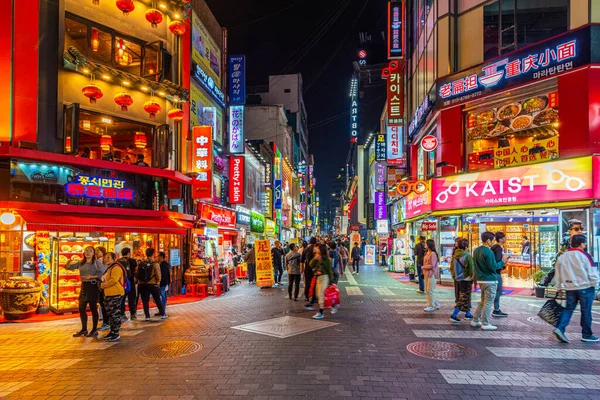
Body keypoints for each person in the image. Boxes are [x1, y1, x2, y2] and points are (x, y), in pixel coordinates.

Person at [552, 234, 599, 343]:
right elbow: (592, 272)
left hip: (569, 288)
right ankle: (586, 334)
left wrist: (559, 286)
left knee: (568, 309)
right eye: (584, 243)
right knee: (586, 311)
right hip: (585, 287)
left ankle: (560, 328)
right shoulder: (585, 255)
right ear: (582, 244)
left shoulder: (563, 256)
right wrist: (594, 284)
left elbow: (557, 273)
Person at [472, 231, 507, 331]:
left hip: (481, 279)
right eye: (492, 240)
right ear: (488, 240)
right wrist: (503, 262)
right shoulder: (489, 252)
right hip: (490, 279)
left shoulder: (476, 251)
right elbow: (493, 267)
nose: (493, 242)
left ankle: (475, 320)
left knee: (483, 301)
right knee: (488, 302)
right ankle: (485, 323)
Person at [66, 246, 104, 337]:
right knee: (81, 308)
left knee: (93, 308)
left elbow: (102, 273)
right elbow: (69, 267)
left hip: (93, 286)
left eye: (90, 251)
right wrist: (68, 261)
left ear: (93, 253)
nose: (88, 253)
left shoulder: (96, 262)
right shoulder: (81, 262)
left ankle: (94, 329)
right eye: (86, 251)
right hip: (84, 286)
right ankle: (84, 329)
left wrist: (92, 277)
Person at [541, 219, 585, 286]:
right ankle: (547, 281)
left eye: (581, 229)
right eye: (576, 229)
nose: (580, 231)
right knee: (555, 267)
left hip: (577, 263)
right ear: (569, 231)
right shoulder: (566, 238)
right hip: (567, 260)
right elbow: (562, 249)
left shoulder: (583, 239)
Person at [100, 252, 126, 342]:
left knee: (115, 314)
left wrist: (104, 285)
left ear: (114, 258)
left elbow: (114, 280)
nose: (106, 259)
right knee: (110, 314)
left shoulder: (116, 267)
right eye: (105, 257)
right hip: (109, 294)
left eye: (108, 257)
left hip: (116, 293)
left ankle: (116, 332)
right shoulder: (110, 268)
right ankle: (112, 331)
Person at [304, 244, 335, 319]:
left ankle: (321, 312)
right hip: (318, 278)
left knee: (321, 294)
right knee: (319, 295)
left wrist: (331, 282)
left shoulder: (326, 259)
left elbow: (329, 271)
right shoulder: (317, 257)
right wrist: (315, 259)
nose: (316, 249)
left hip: (325, 277)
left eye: (318, 248)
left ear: (321, 249)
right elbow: (311, 264)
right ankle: (331, 305)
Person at [449, 239, 475, 323]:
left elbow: (451, 268)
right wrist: (474, 280)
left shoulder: (454, 256)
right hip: (466, 279)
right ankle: (454, 315)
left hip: (457, 279)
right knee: (463, 298)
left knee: (464, 297)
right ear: (466, 247)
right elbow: (471, 270)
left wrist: (455, 277)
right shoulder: (467, 256)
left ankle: (468, 314)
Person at [138, 248, 167, 321]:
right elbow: (158, 274)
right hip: (152, 284)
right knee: (157, 299)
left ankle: (147, 316)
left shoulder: (141, 263)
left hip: (142, 284)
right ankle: (163, 314)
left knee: (145, 301)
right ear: (153, 254)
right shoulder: (155, 263)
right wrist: (158, 282)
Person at [117, 247, 138, 321]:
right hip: (130, 282)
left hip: (122, 282)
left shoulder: (118, 261)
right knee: (131, 298)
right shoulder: (133, 261)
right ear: (129, 253)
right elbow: (136, 271)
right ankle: (133, 314)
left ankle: (122, 314)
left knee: (122, 298)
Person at [490, 232, 508, 318]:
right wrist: (503, 262)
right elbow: (497, 261)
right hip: (496, 273)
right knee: (498, 291)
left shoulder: (494, 248)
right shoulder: (498, 248)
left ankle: (496, 309)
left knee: (497, 291)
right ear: (500, 239)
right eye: (504, 237)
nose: (506, 238)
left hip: (494, 272)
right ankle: (495, 309)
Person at [422, 239, 440, 312]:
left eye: (426, 243)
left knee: (430, 290)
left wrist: (423, 267)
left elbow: (432, 265)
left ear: (429, 245)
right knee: (427, 289)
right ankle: (436, 302)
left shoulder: (433, 254)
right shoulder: (427, 253)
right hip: (426, 273)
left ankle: (430, 306)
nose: (425, 245)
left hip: (432, 274)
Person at [95, 246, 110, 332]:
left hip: (102, 285)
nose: (96, 252)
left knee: (103, 304)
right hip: (104, 284)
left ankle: (106, 322)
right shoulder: (103, 261)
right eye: (95, 250)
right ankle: (107, 321)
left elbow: (101, 273)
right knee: (104, 304)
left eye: (98, 251)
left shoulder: (98, 261)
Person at [302, 237, 317, 302]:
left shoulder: (305, 249)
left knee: (307, 282)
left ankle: (307, 296)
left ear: (309, 242)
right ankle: (314, 297)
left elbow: (302, 260)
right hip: (315, 268)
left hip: (307, 268)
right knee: (315, 282)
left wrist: (301, 269)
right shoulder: (316, 249)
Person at [157, 252, 171, 316]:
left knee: (162, 296)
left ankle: (162, 311)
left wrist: (160, 282)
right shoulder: (166, 264)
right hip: (165, 283)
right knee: (162, 296)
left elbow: (163, 275)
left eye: (158, 256)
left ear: (161, 257)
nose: (157, 258)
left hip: (162, 283)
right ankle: (161, 310)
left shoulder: (162, 265)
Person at [450, 238, 463, 304]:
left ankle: (458, 301)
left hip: (457, 273)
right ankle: (460, 302)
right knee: (461, 289)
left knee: (458, 288)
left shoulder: (455, 251)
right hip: (462, 274)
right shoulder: (465, 254)